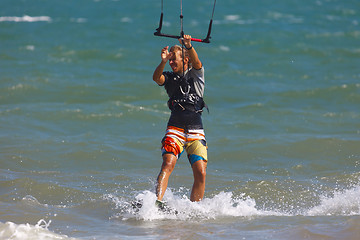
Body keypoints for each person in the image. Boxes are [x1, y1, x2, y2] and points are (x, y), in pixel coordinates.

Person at [152, 34, 208, 204]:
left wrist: (189, 46)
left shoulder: (196, 75)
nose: (171, 62)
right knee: (167, 164)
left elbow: (197, 62)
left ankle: (194, 209)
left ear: (185, 60)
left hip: (195, 131)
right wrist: (162, 62)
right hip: (175, 129)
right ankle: (156, 202)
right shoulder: (169, 78)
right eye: (169, 60)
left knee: (201, 172)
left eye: (173, 59)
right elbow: (156, 78)